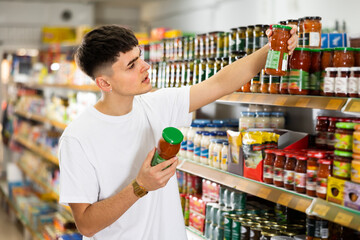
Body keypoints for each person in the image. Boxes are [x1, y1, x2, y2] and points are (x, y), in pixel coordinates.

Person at [59, 25, 297, 239]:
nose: (145, 66)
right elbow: (86, 224)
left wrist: (273, 48)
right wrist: (140, 186)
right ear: (105, 83)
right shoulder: (78, 137)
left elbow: (220, 84)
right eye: (131, 65)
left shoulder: (156, 104)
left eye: (140, 57)